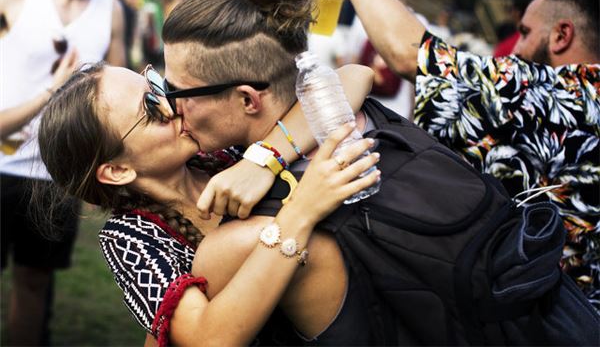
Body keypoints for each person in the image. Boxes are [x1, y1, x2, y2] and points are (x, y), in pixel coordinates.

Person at [299, 0, 599, 310]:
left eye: (525, 32)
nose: (515, 49)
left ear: (562, 35)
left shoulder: (564, 95)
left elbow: (412, 55)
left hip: (552, 317)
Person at [37, 60, 377, 347]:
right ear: (118, 170)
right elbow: (207, 339)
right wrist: (301, 213)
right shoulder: (129, 238)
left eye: (157, 85)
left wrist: (263, 160)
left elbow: (354, 76)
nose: (171, 105)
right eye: (151, 108)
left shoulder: (221, 150)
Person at [0, 0, 126, 344]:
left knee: (35, 282)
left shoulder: (111, 8)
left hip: (57, 175)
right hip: (0, 166)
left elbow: (117, 95)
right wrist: (52, 89)